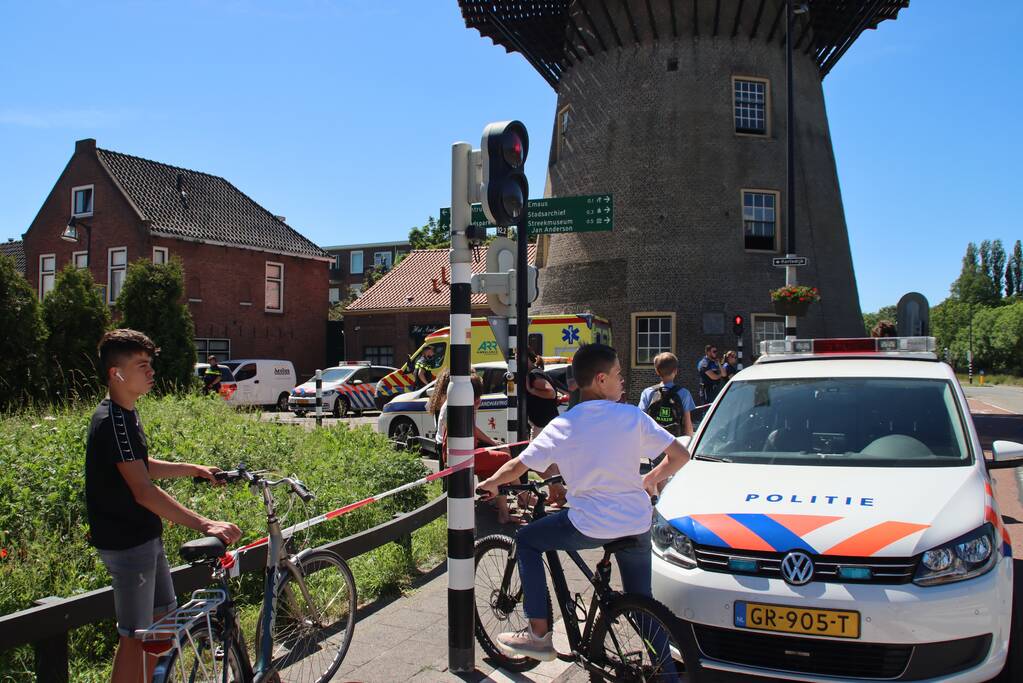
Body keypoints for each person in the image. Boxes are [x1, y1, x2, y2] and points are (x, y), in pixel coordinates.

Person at [478, 343, 690, 661]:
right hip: (636, 522)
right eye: (619, 375)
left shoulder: (566, 424)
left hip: (591, 525)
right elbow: (680, 455)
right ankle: (666, 673)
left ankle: (538, 634)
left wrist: (492, 483)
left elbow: (519, 465)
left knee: (526, 539)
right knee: (642, 606)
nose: (622, 381)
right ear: (601, 379)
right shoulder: (633, 417)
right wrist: (649, 480)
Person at [87, 329, 241, 683]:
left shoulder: (127, 414)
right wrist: (204, 523)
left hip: (145, 537)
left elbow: (141, 464)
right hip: (127, 543)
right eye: (142, 365)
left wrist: (194, 469)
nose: (151, 371)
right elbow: (143, 490)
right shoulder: (112, 421)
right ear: (117, 373)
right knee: (134, 637)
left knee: (160, 628)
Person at [429, 369, 518, 524]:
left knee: (498, 459)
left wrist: (490, 442)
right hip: (463, 457)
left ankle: (502, 507)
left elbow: (470, 430)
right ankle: (521, 497)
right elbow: (469, 431)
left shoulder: (457, 402)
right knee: (505, 459)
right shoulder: (463, 406)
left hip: (457, 454)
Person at [638, 352, 695, 439]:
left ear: (657, 371)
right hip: (675, 442)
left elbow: (640, 420)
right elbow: (688, 423)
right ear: (676, 371)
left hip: (653, 442)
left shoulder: (648, 392)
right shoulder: (684, 393)